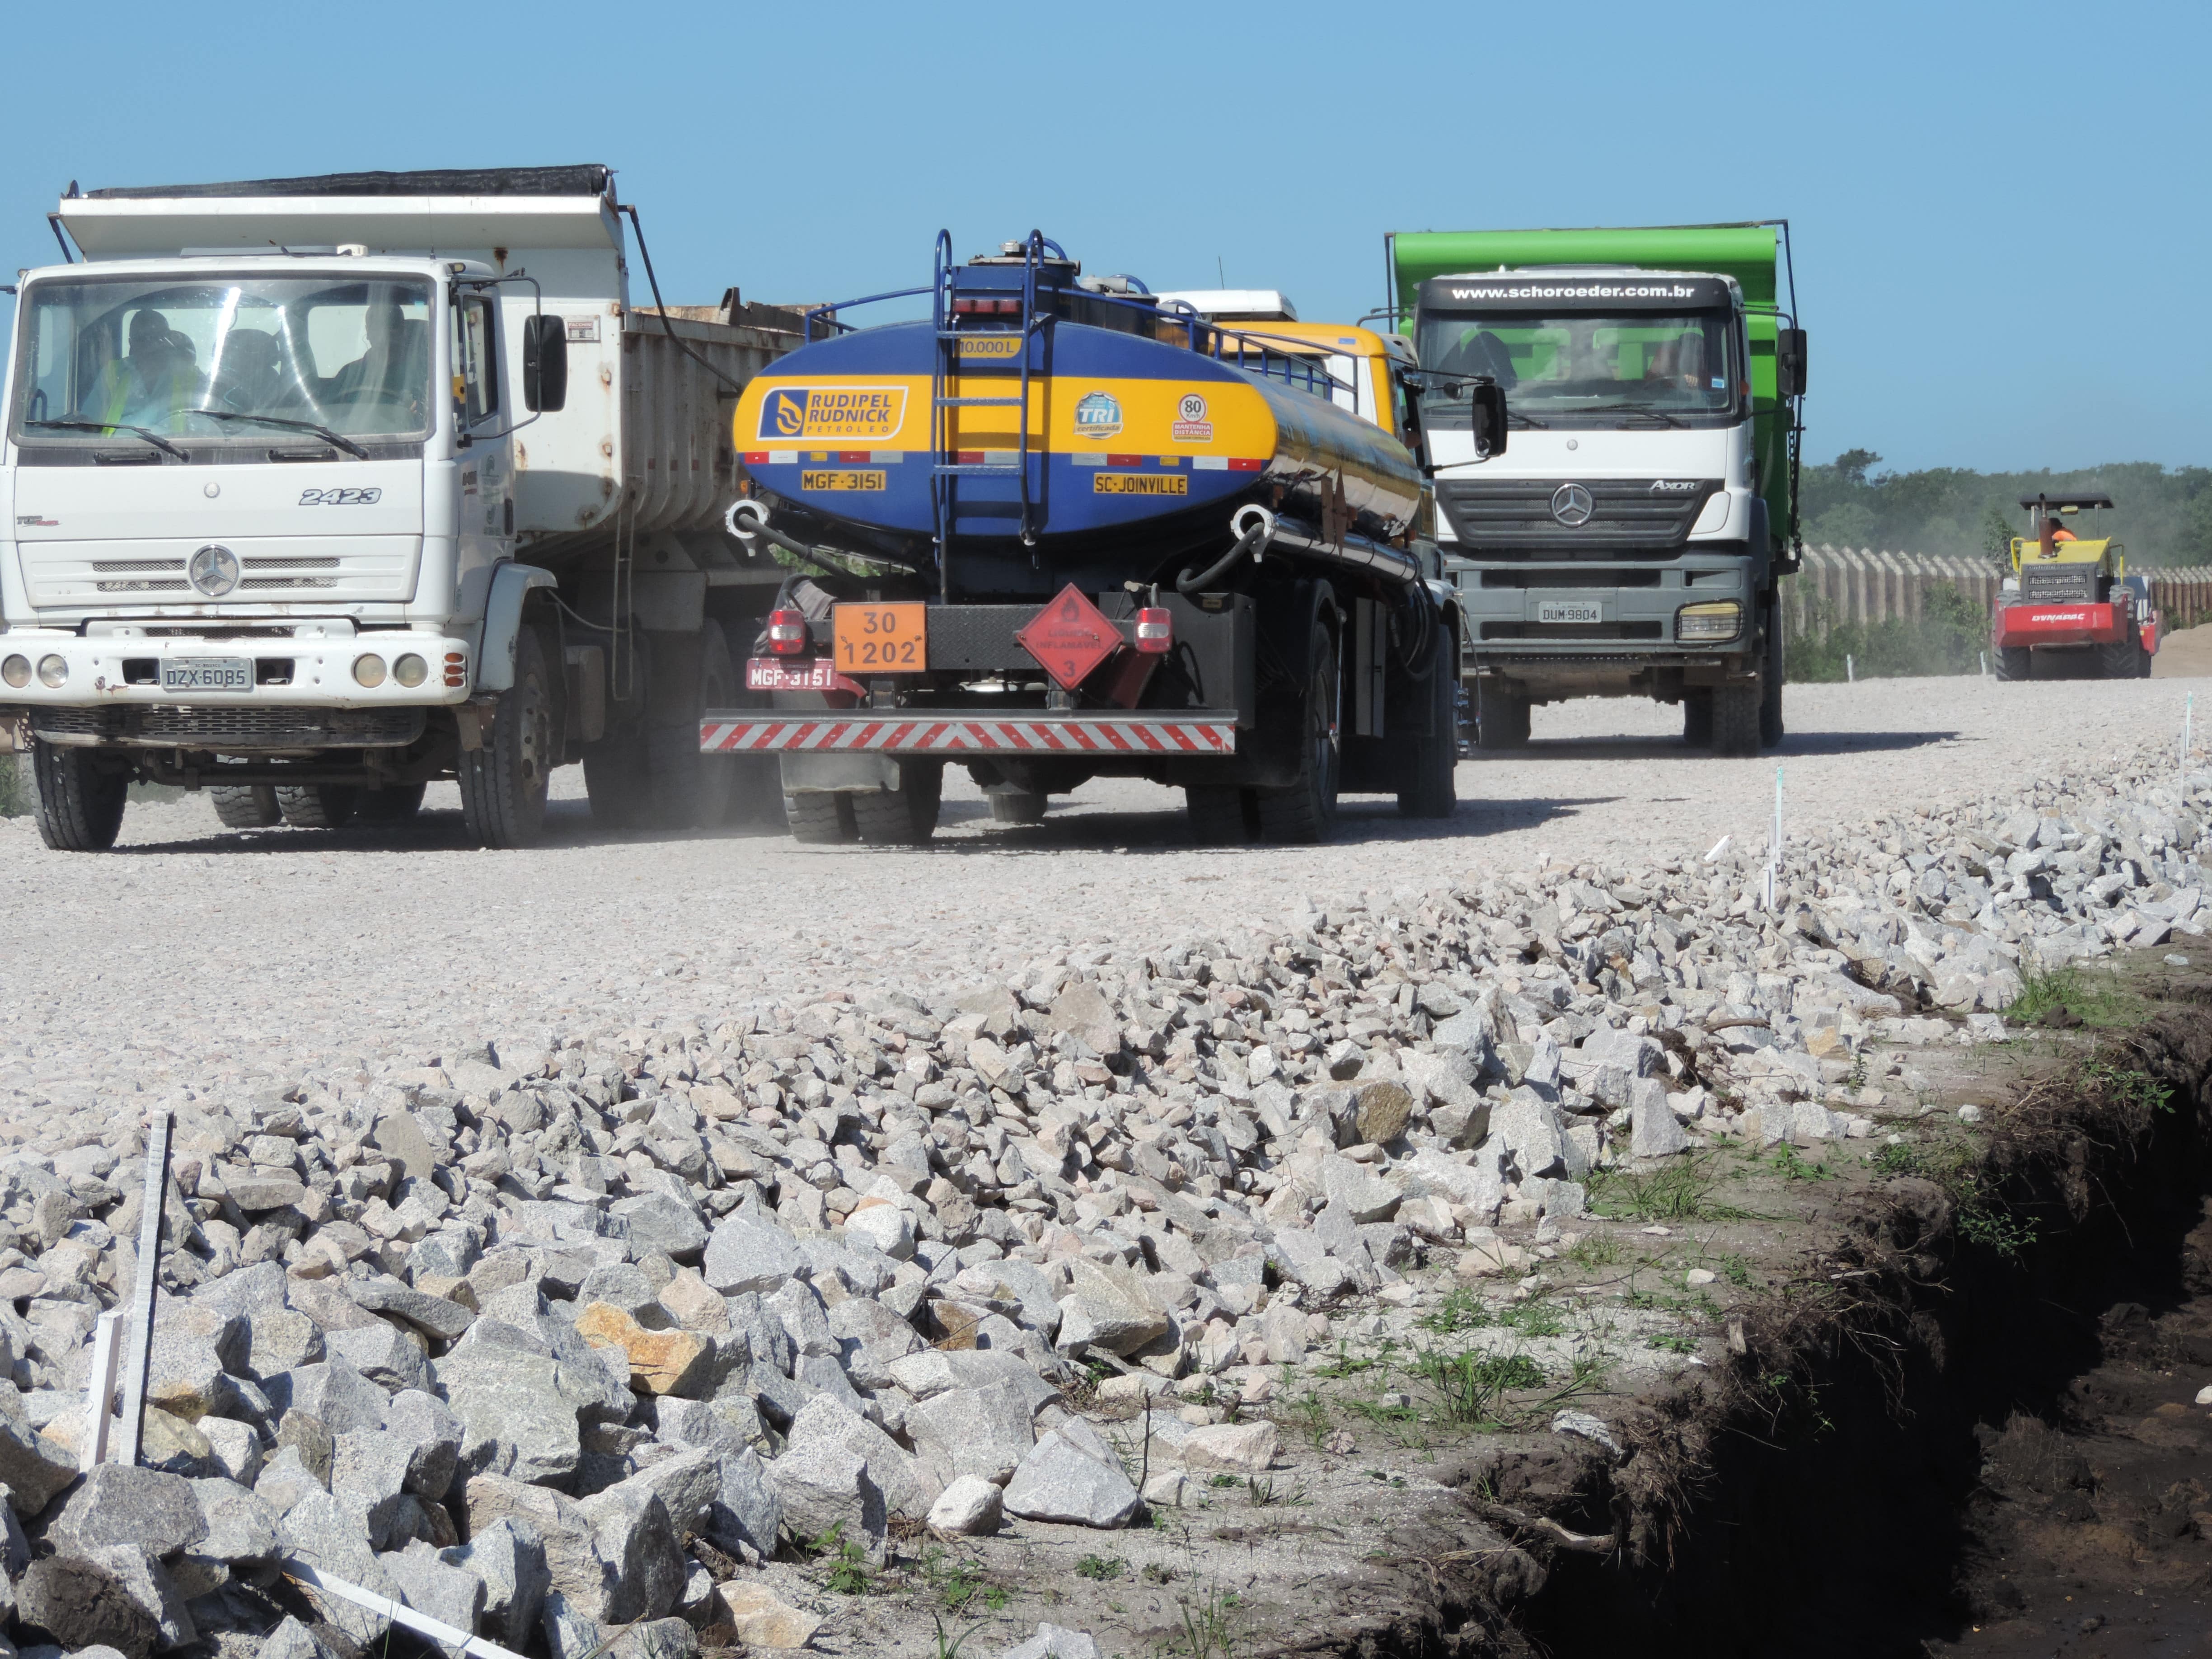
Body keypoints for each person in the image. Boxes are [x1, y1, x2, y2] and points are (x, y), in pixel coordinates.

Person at [88, 308, 198, 430]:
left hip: (176, 449)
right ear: (131, 343)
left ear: (168, 340)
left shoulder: (189, 376)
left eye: (158, 338)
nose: (151, 346)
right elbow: (89, 422)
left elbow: (207, 426)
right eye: (143, 339)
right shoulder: (112, 373)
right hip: (115, 448)